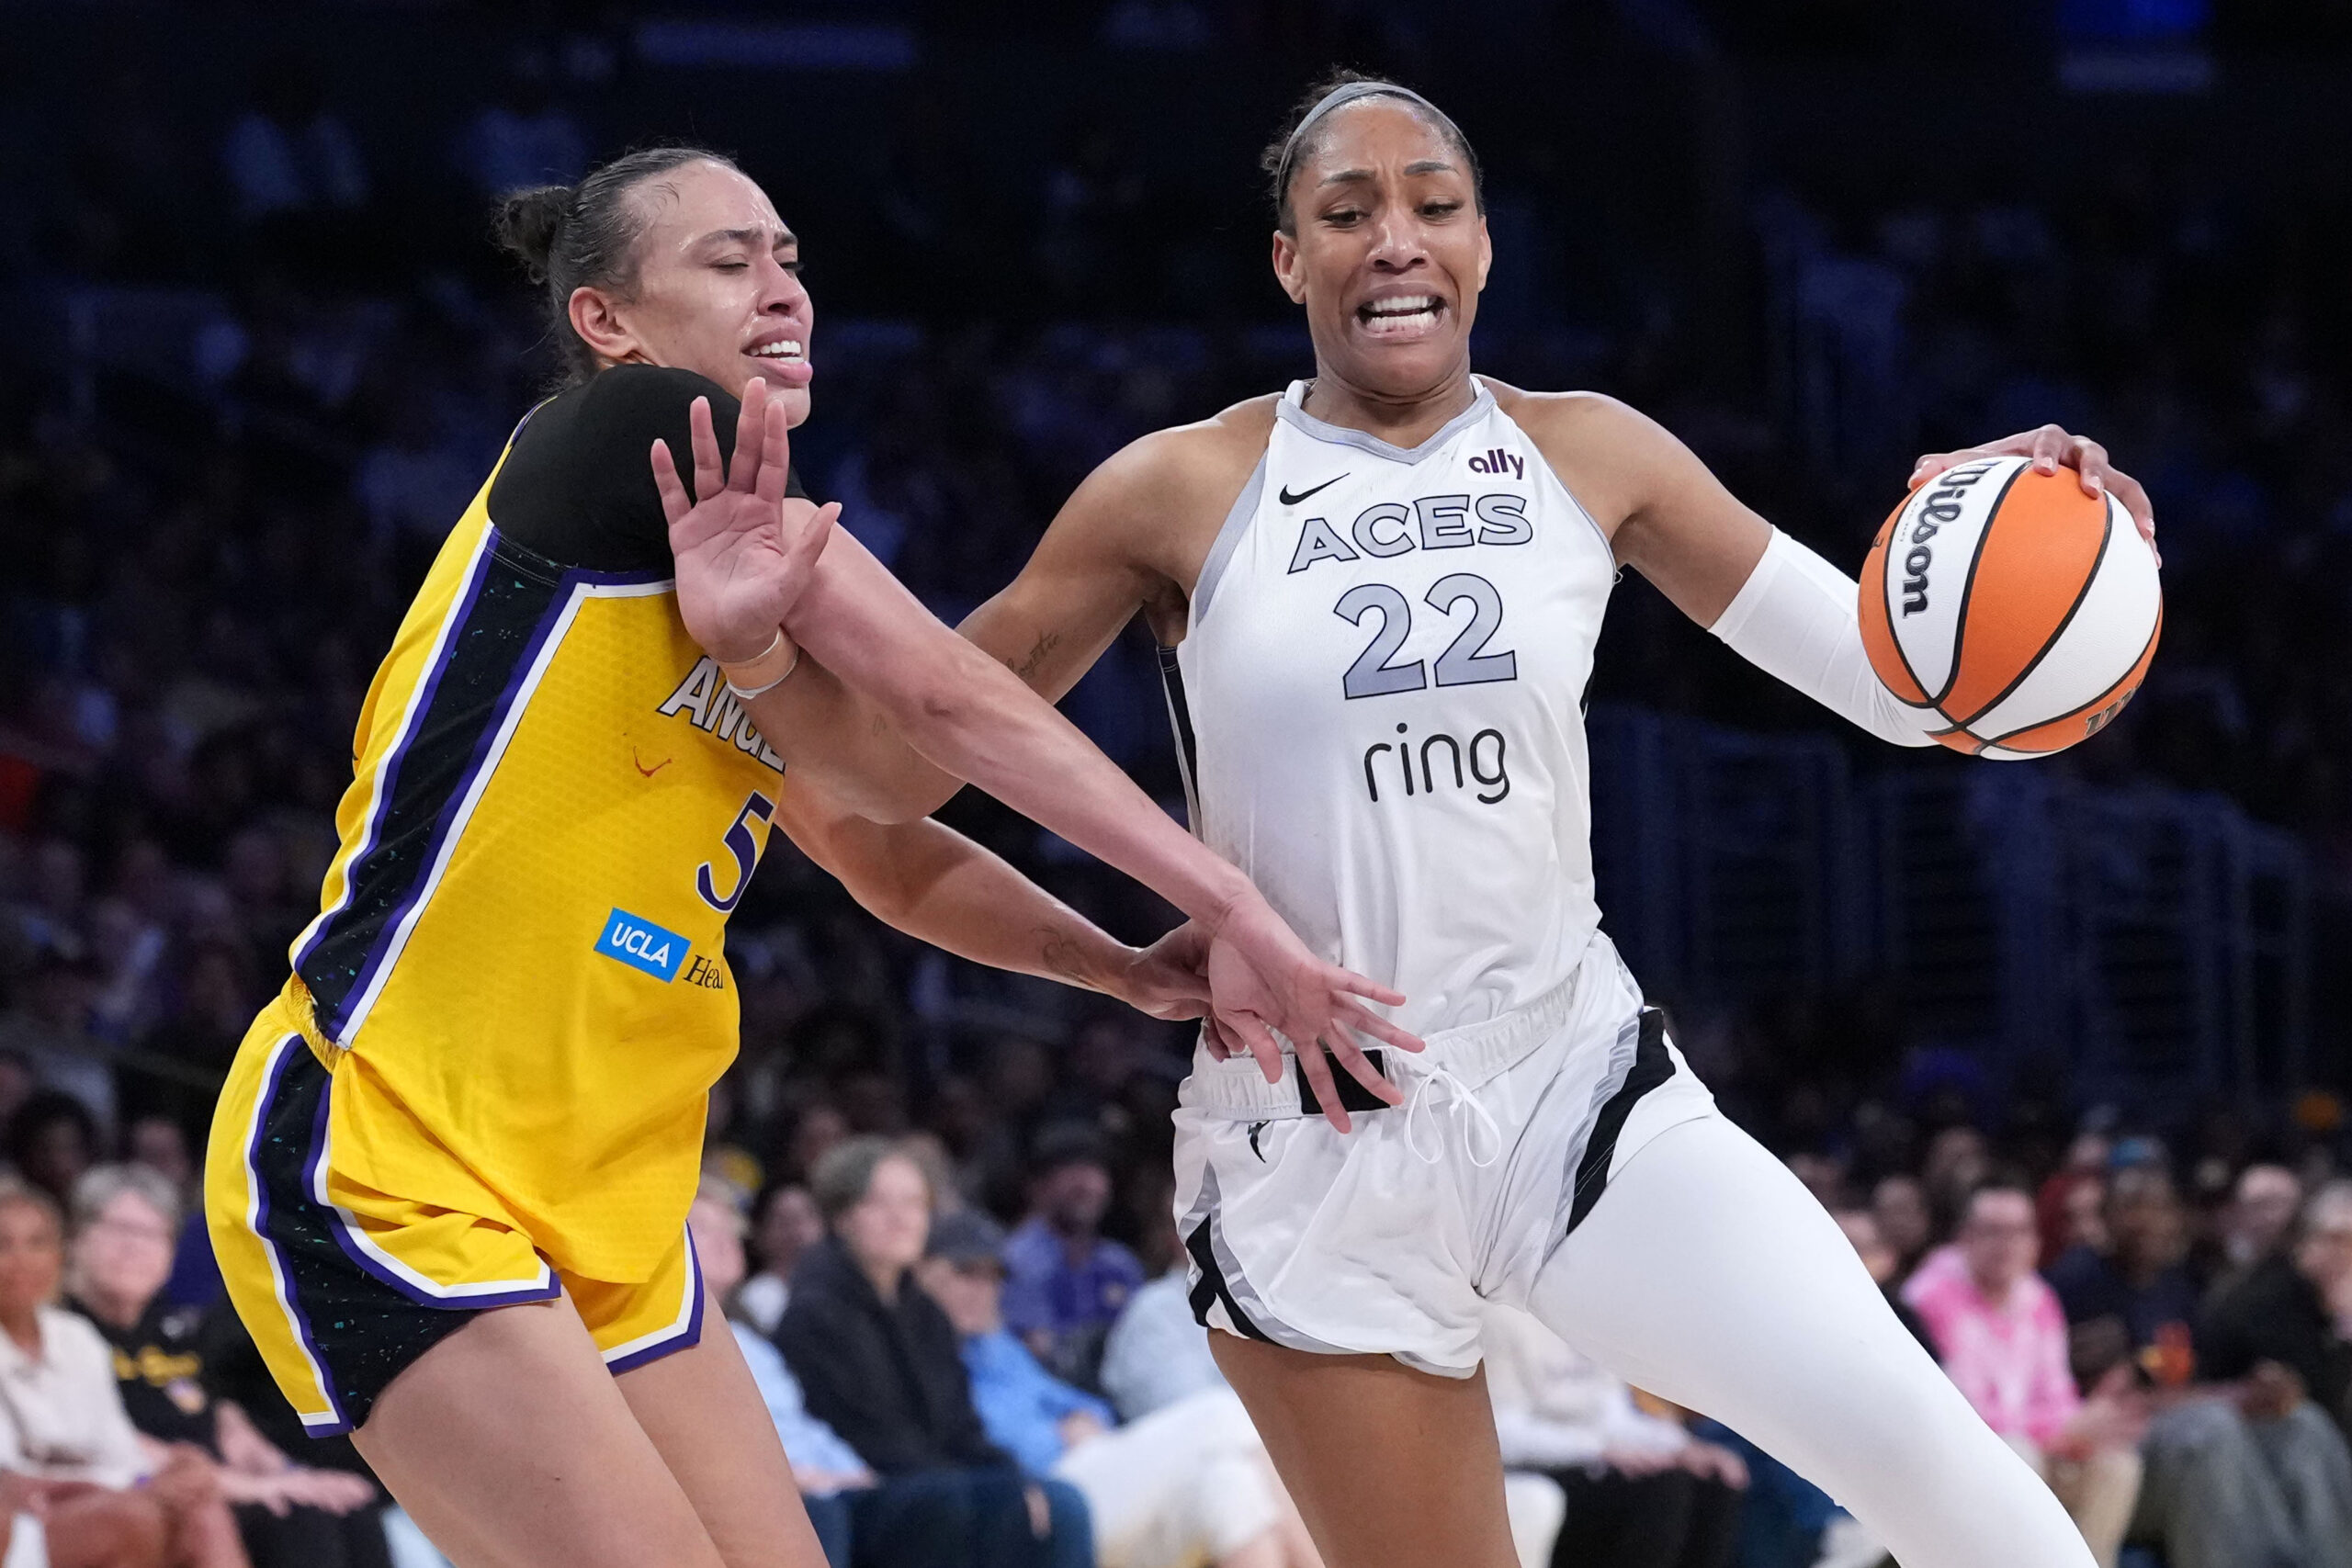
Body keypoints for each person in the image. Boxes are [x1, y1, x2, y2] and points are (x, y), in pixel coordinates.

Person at [781, 71, 2160, 1568]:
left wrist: (2001, 560)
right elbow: (898, 773)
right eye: (1346, 211)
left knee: (1947, 1472)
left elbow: (1910, 693)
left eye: (1434, 204)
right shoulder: (1170, 489)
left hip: (1573, 1087)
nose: (1396, 237)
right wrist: (745, 645)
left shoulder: (1597, 451)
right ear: (1288, 260)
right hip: (1311, 1131)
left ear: (1484, 246)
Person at [199, 145, 1416, 1568]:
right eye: (730, 261)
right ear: (607, 319)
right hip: (388, 1144)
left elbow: (881, 832)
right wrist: (1231, 900)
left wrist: (1118, 966)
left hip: (605, 1188)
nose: (783, 289)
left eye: (788, 258)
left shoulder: (726, 580)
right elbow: (945, 709)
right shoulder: (637, 428)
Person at [920, 1206, 1323, 1568]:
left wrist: (1082, 1418)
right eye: (965, 1274)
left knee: (1232, 1489)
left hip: (1098, 1467)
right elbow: (977, 1437)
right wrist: (1055, 1433)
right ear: (927, 1275)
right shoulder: (925, 1358)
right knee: (1224, 1414)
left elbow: (1080, 1404)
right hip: (1047, 1492)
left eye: (990, 1278)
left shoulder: (996, 1348)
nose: (981, 1291)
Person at [775, 1140, 1091, 1568]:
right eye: (879, 1203)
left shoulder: (924, 1312)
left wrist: (1015, 1478)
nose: (901, 1218)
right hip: (862, 1488)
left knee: (1061, 1503)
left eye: (914, 1203)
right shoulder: (814, 1311)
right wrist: (985, 1484)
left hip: (933, 1482)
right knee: (970, 1501)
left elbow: (963, 1427)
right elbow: (865, 1436)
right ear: (843, 1215)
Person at [62, 1167, 382, 1568]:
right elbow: (112, 1442)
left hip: (224, 1482)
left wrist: (292, 1473)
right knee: (295, 1521)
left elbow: (229, 1428)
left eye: (154, 1234)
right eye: (121, 1229)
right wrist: (253, 1486)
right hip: (155, 1489)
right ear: (76, 1237)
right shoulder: (62, 1331)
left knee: (349, 1505)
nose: (136, 1248)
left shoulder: (177, 1331)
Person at [1903, 1182, 2144, 1567]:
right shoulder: (1932, 1298)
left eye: (2019, 1232)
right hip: (1950, 1460)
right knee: (2017, 1454)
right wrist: (2062, 1429)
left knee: (2116, 1465)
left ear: (2035, 1241)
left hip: (2035, 1444)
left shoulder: (2038, 1298)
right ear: (1965, 1237)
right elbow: (1964, 1415)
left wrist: (2081, 1426)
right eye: (1993, 1231)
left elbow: (2057, 1392)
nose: (2007, 1244)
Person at [0, 1179, 233, 1567]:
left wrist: (176, 1467)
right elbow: (11, 1481)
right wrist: (136, 1489)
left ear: (59, 1254)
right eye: (3, 1244)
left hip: (98, 1494)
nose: (21, 1259)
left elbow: (118, 1448)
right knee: (134, 1517)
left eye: (37, 1243)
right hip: (25, 1516)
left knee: (202, 1510)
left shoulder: (76, 1337)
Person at [685, 1178, 875, 1568]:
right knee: (820, 1513)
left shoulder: (753, 1342)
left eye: (730, 1229)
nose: (724, 1241)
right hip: (764, 1489)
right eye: (703, 1228)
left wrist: (853, 1469)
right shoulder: (674, 1342)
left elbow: (801, 1424)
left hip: (824, 1478)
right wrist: (797, 1479)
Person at [1482, 1303, 1740, 1568]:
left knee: (1714, 1481)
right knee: (1662, 1489)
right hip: (1535, 1466)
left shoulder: (1586, 1320)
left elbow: (1613, 1417)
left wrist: (1683, 1449)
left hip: (1593, 1456)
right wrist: (1597, 1450)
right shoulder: (1502, 1317)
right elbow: (1499, 1431)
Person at [1001, 1126, 1146, 1390]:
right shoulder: (1018, 1261)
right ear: (1038, 1187)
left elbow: (1143, 1347)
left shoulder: (1121, 1264)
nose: (1086, 1184)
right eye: (1070, 1172)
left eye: (1095, 1171)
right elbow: (1039, 1353)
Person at [737, 1184, 823, 1337]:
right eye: (784, 1221)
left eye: (805, 1217)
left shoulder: (837, 1288)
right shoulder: (757, 1296)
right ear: (759, 1234)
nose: (796, 1231)